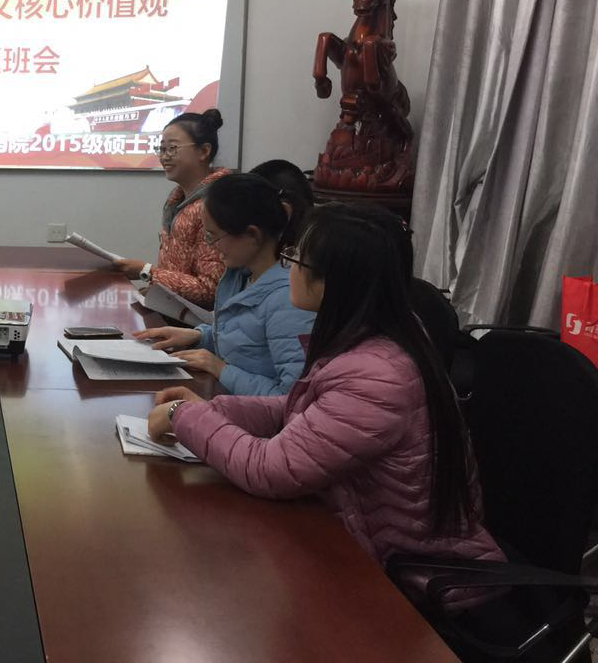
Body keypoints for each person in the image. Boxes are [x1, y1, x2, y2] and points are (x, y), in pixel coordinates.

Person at [147, 203, 504, 594]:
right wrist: (214, 410)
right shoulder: (379, 334)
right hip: (361, 538)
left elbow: (272, 469)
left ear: (333, 281)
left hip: (413, 579)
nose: (287, 268)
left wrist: (184, 416)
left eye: (295, 258)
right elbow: (306, 410)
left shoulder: (377, 376)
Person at [134, 172, 314, 395]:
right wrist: (199, 337)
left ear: (252, 235)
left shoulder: (288, 299)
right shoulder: (240, 276)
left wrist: (221, 369)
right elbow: (243, 340)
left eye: (213, 236)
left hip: (250, 413)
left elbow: (292, 398)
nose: (211, 246)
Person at [112, 109, 229, 309]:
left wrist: (147, 272)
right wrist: (157, 291)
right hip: (172, 313)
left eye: (172, 148)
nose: (164, 157)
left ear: (203, 151)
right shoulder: (176, 201)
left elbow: (210, 290)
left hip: (198, 323)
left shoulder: (218, 203)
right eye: (161, 149)